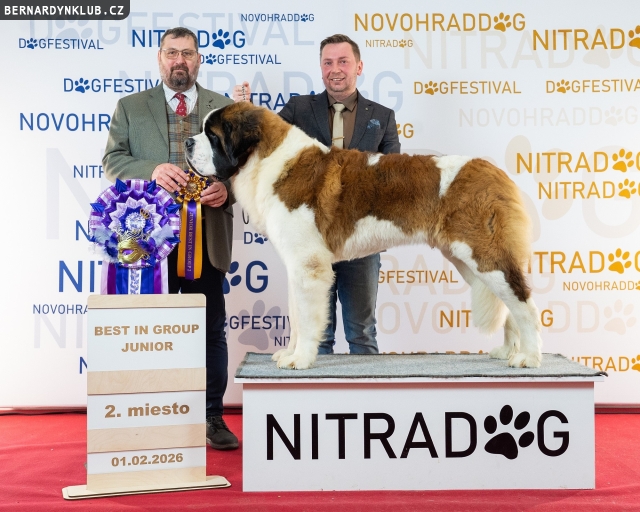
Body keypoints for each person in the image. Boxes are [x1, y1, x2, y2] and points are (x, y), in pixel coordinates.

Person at [103, 27, 238, 450]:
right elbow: (112, 161)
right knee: (151, 330)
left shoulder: (225, 108)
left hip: (207, 236)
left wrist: (228, 189)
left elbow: (244, 167)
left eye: (188, 53)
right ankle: (152, 416)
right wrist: (153, 169)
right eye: (172, 52)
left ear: (199, 60)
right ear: (160, 58)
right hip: (148, 240)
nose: (180, 60)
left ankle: (212, 416)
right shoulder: (130, 107)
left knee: (210, 330)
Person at [233, 34, 400, 355]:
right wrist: (246, 110)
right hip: (307, 236)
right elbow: (265, 140)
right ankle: (314, 385)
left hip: (360, 237)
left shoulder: (383, 115)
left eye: (343, 62)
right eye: (327, 62)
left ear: (359, 66)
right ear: (320, 68)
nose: (335, 69)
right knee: (317, 334)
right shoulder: (299, 108)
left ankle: (368, 387)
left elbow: (391, 174)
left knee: (362, 332)